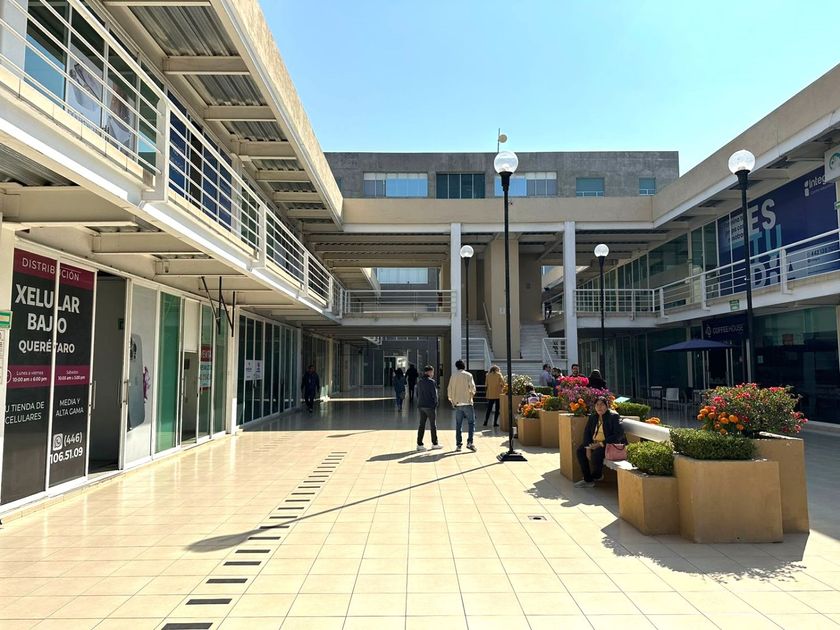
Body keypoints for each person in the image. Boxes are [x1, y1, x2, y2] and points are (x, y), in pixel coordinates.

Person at [575, 396, 625, 488]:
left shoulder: (613, 416)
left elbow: (618, 435)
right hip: (595, 443)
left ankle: (597, 476)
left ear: (606, 406)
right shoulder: (593, 417)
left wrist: (600, 444)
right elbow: (587, 432)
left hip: (609, 444)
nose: (599, 407)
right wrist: (587, 448)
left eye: (602, 404)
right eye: (597, 405)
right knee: (580, 451)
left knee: (596, 454)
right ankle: (588, 480)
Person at [447, 359, 477, 452]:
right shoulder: (468, 375)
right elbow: (472, 388)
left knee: (458, 424)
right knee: (471, 423)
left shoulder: (453, 376)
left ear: (456, 366)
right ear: (464, 366)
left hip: (458, 403)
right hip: (467, 403)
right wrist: (471, 397)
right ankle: (470, 442)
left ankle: (458, 445)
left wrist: (452, 401)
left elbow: (449, 390)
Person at [416, 365, 442, 451]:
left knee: (421, 425)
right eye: (432, 372)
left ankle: (419, 444)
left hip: (421, 406)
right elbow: (435, 395)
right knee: (433, 425)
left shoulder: (419, 382)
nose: (433, 374)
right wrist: (435, 404)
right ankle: (435, 443)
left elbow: (417, 394)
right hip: (430, 406)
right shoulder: (431, 382)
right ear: (429, 372)